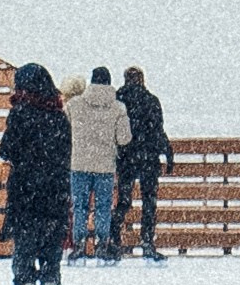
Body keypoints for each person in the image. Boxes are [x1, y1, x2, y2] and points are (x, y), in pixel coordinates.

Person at [0, 64, 72, 285]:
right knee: (51, 242)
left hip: (25, 189)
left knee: (25, 244)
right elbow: (66, 151)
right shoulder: (58, 116)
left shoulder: (20, 113)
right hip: (55, 189)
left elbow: (6, 149)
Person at [65, 65, 128, 262]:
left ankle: (79, 245)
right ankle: (102, 244)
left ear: (91, 81)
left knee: (80, 206)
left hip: (79, 164)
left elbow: (63, 130)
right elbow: (124, 138)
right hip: (105, 166)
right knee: (103, 207)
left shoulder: (74, 105)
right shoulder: (118, 108)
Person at [111, 64, 172, 260]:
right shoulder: (151, 100)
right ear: (142, 80)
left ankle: (114, 239)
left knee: (124, 200)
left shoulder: (118, 100)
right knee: (149, 201)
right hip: (148, 158)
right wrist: (168, 153)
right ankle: (147, 242)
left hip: (126, 158)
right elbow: (158, 129)